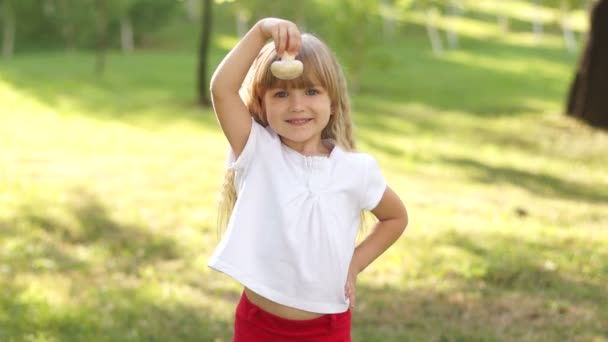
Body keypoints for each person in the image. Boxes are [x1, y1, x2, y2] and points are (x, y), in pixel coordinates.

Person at [207, 17, 408, 341]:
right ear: (262, 102)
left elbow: (395, 217)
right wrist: (261, 32)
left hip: (327, 328)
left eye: (311, 91)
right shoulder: (257, 149)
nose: (297, 105)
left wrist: (355, 263)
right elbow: (222, 89)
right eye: (281, 94)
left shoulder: (356, 170)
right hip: (259, 325)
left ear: (333, 102)